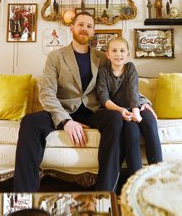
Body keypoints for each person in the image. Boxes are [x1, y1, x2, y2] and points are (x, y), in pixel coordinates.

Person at [13, 12, 124, 192]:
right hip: (63, 110)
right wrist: (65, 121)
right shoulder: (55, 57)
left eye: (89, 26)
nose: (84, 29)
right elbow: (47, 92)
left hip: (92, 112)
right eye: (80, 24)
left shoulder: (102, 58)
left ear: (93, 31)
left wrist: (142, 102)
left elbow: (121, 85)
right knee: (29, 122)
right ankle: (24, 199)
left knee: (115, 119)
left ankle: (104, 195)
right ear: (71, 27)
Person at [96, 37, 162, 176]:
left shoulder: (130, 67)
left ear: (128, 54)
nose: (118, 54)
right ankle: (136, 179)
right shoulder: (103, 72)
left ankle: (158, 175)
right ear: (107, 54)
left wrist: (137, 111)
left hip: (136, 106)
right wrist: (121, 111)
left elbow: (133, 90)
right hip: (119, 110)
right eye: (114, 50)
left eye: (122, 51)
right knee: (132, 133)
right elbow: (104, 98)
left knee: (150, 123)